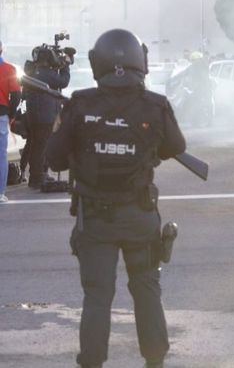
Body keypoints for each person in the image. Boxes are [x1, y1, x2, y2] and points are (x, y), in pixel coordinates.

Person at [45, 29, 186, 368]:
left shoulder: (79, 104)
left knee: (97, 298)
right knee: (147, 290)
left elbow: (53, 159)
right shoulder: (155, 105)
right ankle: (155, 361)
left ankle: (92, 362)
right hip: (139, 215)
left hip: (95, 219)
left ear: (99, 62)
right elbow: (176, 148)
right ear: (141, 62)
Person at [23, 46, 70, 189]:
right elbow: (63, 82)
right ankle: (37, 177)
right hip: (45, 115)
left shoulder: (31, 71)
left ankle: (37, 175)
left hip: (34, 115)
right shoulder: (46, 73)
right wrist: (66, 66)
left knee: (36, 144)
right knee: (41, 146)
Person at [0, 40, 22, 202]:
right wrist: (12, 114)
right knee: (1, 154)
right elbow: (16, 95)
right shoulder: (8, 69)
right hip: (1, 112)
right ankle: (0, 193)